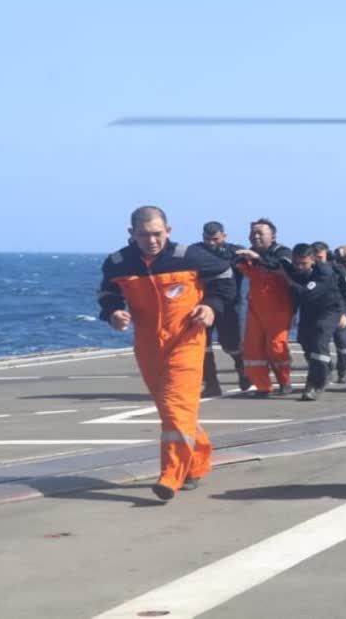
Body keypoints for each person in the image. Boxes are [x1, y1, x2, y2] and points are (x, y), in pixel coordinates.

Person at [98, 206, 235, 501]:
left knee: (175, 405)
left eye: (158, 234)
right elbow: (107, 294)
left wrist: (211, 305)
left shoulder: (188, 256)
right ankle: (197, 462)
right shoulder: (118, 262)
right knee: (172, 410)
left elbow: (225, 277)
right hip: (148, 345)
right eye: (144, 235)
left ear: (168, 231)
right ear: (131, 234)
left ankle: (171, 475)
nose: (152, 240)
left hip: (186, 341)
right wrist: (113, 313)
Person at [234, 219, 295, 396]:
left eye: (260, 233)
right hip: (256, 308)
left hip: (280, 307)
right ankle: (262, 387)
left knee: (276, 346)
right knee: (253, 349)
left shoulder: (282, 252)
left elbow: (281, 267)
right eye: (253, 233)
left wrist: (258, 259)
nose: (256, 237)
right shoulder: (246, 254)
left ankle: (284, 381)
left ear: (273, 235)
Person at [283, 244, 346, 400]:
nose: (299, 267)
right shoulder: (294, 269)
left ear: (313, 260)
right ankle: (324, 368)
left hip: (329, 311)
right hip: (308, 311)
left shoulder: (324, 272)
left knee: (319, 341)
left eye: (303, 263)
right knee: (305, 342)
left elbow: (305, 293)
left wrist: (287, 279)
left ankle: (315, 383)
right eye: (296, 263)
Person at [195, 221, 251, 396]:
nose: (210, 243)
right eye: (207, 239)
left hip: (231, 306)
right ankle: (211, 384)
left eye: (215, 239)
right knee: (203, 346)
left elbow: (261, 265)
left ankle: (243, 370)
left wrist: (255, 257)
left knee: (231, 345)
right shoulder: (195, 251)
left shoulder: (236, 252)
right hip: (204, 305)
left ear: (224, 237)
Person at [317, 242, 346, 383]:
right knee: (321, 344)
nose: (317, 259)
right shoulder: (312, 270)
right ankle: (326, 371)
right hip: (321, 312)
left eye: (319, 256)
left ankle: (343, 370)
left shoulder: (339, 270)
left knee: (343, 342)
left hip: (339, 311)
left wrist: (345, 313)